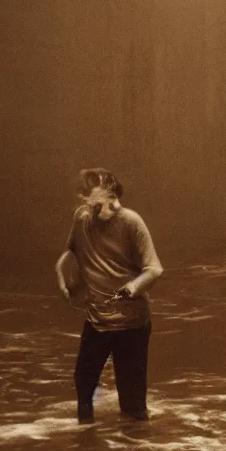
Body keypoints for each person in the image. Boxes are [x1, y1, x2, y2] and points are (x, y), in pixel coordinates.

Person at [54, 168, 164, 424]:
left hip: (132, 323)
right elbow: (74, 254)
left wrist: (131, 289)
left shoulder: (132, 222)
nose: (107, 209)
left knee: (133, 403)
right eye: (97, 204)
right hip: (98, 319)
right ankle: (87, 444)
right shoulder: (81, 220)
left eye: (110, 201)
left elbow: (154, 268)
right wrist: (67, 283)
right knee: (83, 383)